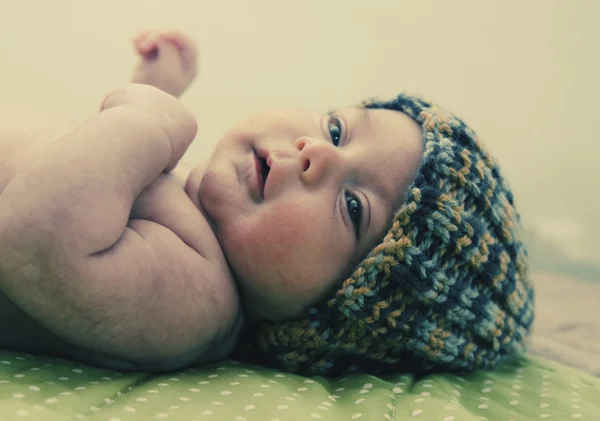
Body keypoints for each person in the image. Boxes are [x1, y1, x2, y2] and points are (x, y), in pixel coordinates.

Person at [0, 30, 534, 376]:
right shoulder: (195, 222)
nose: (316, 153)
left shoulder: (197, 302)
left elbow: (38, 234)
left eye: (354, 208)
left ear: (320, 319)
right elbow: (94, 172)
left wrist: (153, 117)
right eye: (337, 129)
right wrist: (154, 90)